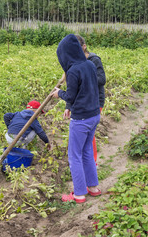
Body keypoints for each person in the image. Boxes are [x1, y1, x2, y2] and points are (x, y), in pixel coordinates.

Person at [52, 34, 101, 203]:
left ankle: (79, 194)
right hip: (94, 115)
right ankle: (93, 187)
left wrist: (59, 94)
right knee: (87, 151)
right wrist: (69, 108)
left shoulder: (73, 70)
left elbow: (71, 95)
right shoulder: (89, 64)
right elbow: (86, 91)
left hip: (80, 120)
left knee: (74, 156)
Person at [62, 35, 106, 166]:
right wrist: (68, 105)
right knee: (85, 137)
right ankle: (87, 163)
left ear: (84, 47)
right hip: (80, 102)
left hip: (94, 101)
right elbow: (72, 89)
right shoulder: (73, 64)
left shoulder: (94, 60)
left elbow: (102, 80)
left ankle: (92, 162)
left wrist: (85, 79)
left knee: (89, 137)